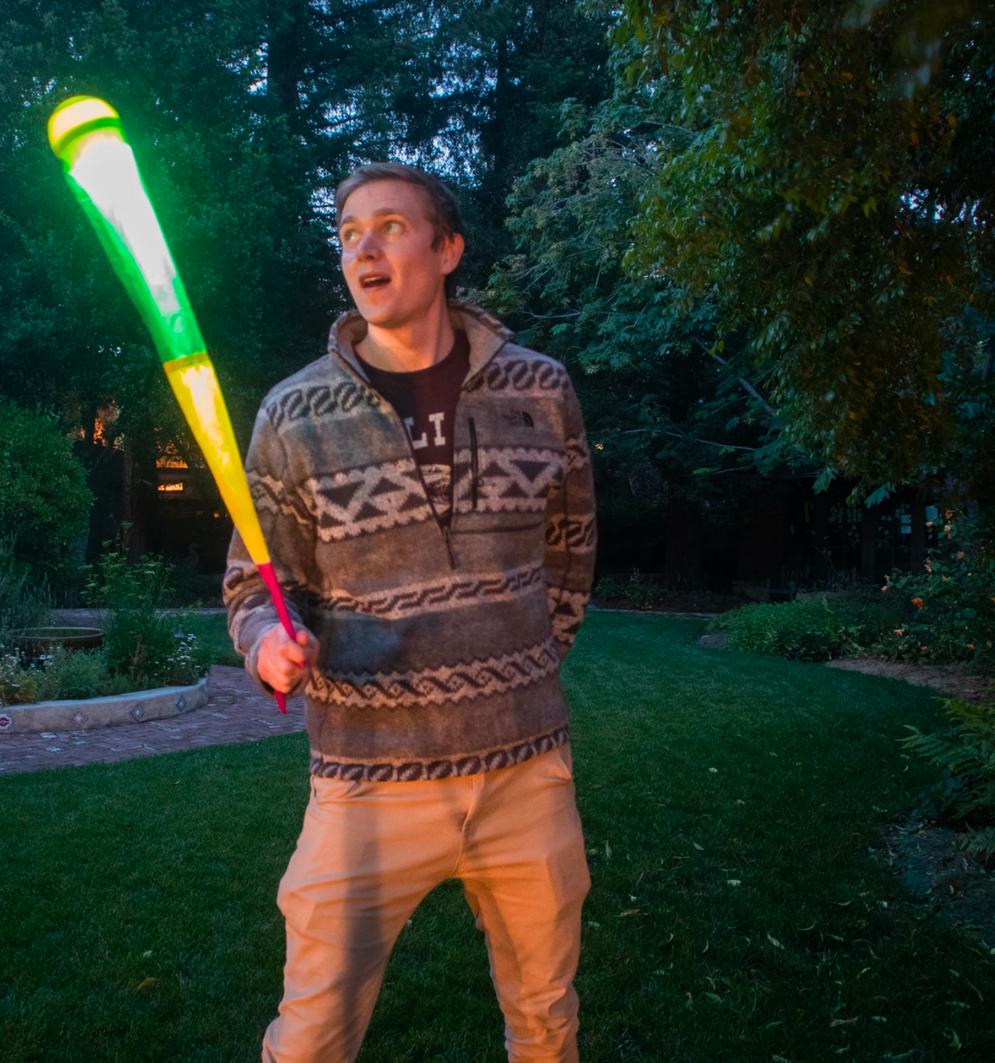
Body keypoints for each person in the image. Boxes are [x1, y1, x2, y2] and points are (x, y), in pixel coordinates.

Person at [223, 161, 597, 1063]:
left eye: (390, 225)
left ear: (448, 248)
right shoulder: (292, 412)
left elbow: (571, 554)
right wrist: (270, 638)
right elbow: (251, 582)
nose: (365, 248)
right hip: (365, 782)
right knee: (311, 1037)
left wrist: (516, 667)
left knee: (547, 1024)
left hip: (523, 772)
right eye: (350, 233)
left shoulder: (541, 390)